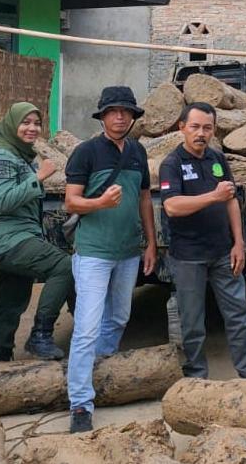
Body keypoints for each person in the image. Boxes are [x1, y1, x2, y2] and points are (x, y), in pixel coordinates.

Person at [64, 86, 158, 433]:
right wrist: (100, 203)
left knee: (119, 317)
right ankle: (80, 404)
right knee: (86, 328)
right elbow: (71, 202)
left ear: (133, 117)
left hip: (128, 252)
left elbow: (145, 198)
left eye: (126, 112)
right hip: (93, 253)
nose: (120, 117)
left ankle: (99, 373)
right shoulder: (85, 152)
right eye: (113, 111)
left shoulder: (137, 151)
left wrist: (151, 243)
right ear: (102, 115)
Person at [159, 103, 246, 380]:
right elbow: (172, 206)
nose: (201, 133)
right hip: (187, 257)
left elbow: (231, 200)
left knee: (239, 314)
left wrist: (238, 243)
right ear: (181, 127)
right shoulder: (172, 164)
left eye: (207, 128)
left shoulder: (218, 159)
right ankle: (196, 375)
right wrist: (212, 197)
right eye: (194, 126)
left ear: (214, 130)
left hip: (223, 253)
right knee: (192, 322)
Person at [0, 102, 72, 362]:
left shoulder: (19, 155)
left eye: (36, 123)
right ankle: (40, 335)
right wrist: (39, 177)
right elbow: (4, 200)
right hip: (7, 239)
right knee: (64, 267)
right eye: (25, 122)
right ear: (11, 124)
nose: (32, 128)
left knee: (12, 297)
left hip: (16, 236)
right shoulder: (1, 157)